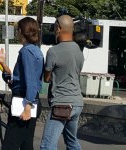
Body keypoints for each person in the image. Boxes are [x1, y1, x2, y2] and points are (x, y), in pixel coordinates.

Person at [40, 15, 84, 150]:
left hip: (62, 104)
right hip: (77, 102)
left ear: (58, 28)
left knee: (47, 146)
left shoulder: (53, 51)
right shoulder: (78, 50)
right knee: (71, 142)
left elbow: (46, 78)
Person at [2, 17, 44, 150]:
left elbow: (31, 80)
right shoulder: (37, 50)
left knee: (10, 144)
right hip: (31, 99)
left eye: (17, 30)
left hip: (24, 101)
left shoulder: (26, 51)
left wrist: (27, 106)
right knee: (26, 144)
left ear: (21, 31)